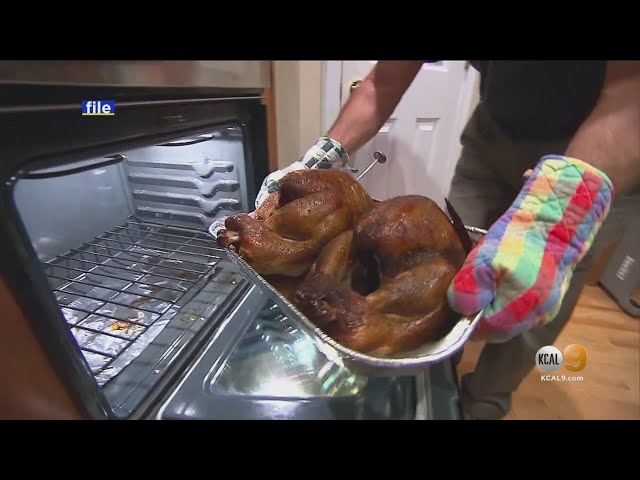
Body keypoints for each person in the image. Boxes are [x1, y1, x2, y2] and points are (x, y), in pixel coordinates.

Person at [231, 61, 640, 420]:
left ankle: (484, 403)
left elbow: (630, 94)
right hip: (493, 135)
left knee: (527, 302)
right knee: (454, 291)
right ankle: (439, 378)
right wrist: (321, 157)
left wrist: (555, 215)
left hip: (598, 148)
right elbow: (380, 84)